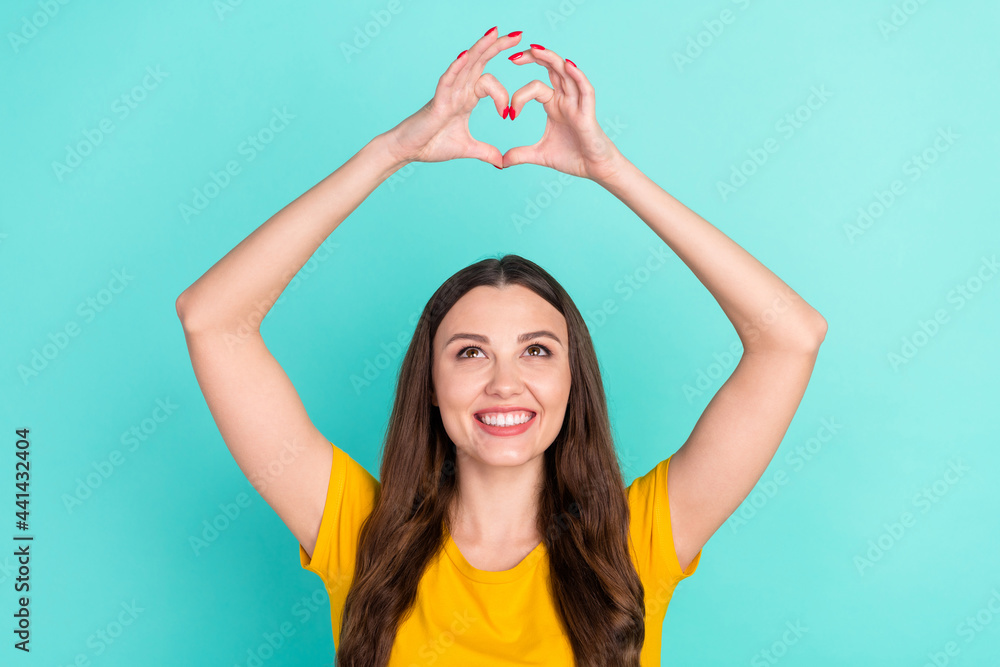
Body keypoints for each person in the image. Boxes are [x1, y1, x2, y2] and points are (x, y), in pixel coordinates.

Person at [176, 26, 827, 667]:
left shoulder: (639, 540)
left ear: (576, 380)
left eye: (538, 350)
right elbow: (212, 318)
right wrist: (389, 152)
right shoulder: (355, 529)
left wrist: (611, 170)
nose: (505, 382)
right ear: (429, 382)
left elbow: (790, 337)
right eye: (470, 351)